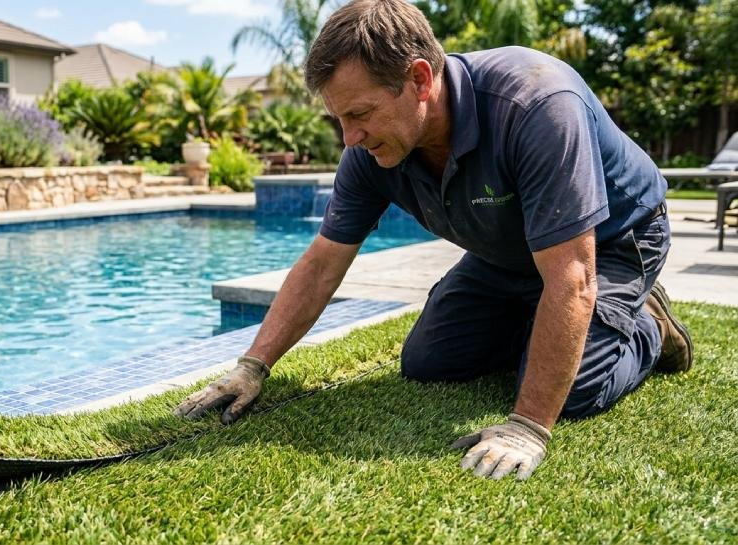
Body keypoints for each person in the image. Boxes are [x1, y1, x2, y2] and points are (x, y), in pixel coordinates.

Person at [174, 0, 694, 481]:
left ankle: (647, 323)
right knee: (429, 364)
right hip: (507, 254)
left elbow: (573, 276)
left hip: (613, 241)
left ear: (419, 79)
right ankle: (543, 322)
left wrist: (528, 427)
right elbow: (322, 264)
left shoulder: (535, 104)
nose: (349, 138)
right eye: (339, 119)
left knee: (575, 391)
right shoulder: (370, 154)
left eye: (359, 114)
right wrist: (252, 366)